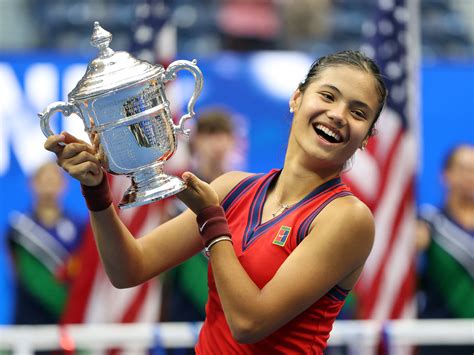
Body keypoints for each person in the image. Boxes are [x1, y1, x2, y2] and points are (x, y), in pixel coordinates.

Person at [44, 50, 387, 353]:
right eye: (328, 96)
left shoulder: (348, 217)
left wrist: (212, 221)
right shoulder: (233, 188)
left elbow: (249, 324)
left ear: (367, 137)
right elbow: (128, 269)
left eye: (358, 113)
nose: (338, 114)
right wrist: (97, 193)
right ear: (296, 97)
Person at [161, 108, 237, 325]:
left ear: (232, 142)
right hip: (184, 315)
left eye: (223, 135)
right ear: (197, 142)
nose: (217, 144)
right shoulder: (177, 197)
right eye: (210, 135)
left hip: (233, 311)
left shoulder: (243, 192)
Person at [7, 161, 84, 325]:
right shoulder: (18, 230)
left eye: (54, 179)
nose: (49, 184)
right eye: (44, 180)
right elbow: (17, 272)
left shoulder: (79, 227)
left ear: (64, 185)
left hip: (66, 314)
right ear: (32, 184)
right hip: (28, 315)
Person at [416, 144, 474, 355]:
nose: (469, 176)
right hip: (440, 337)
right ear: (445, 175)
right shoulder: (429, 222)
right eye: (463, 168)